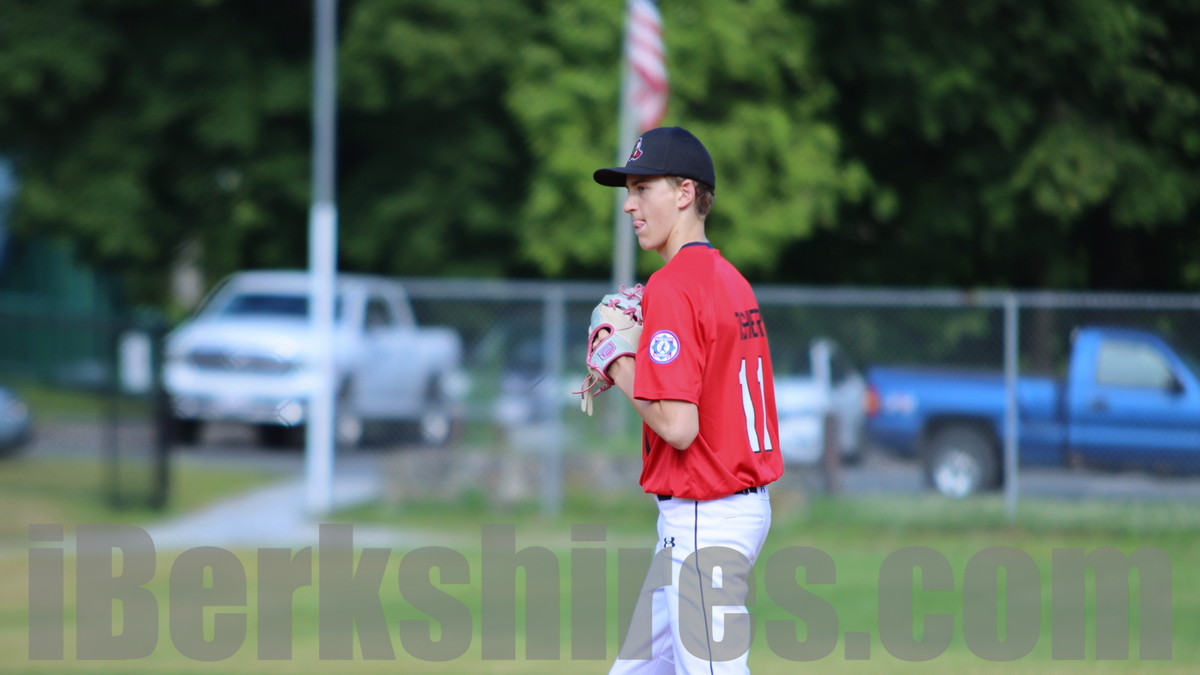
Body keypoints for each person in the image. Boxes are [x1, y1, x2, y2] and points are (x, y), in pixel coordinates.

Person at [592, 126, 785, 673]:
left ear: (684, 193)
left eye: (642, 189)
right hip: (725, 508)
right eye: (628, 191)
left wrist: (617, 361)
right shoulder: (729, 278)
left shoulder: (674, 285)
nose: (629, 205)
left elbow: (679, 427)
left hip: (707, 513)